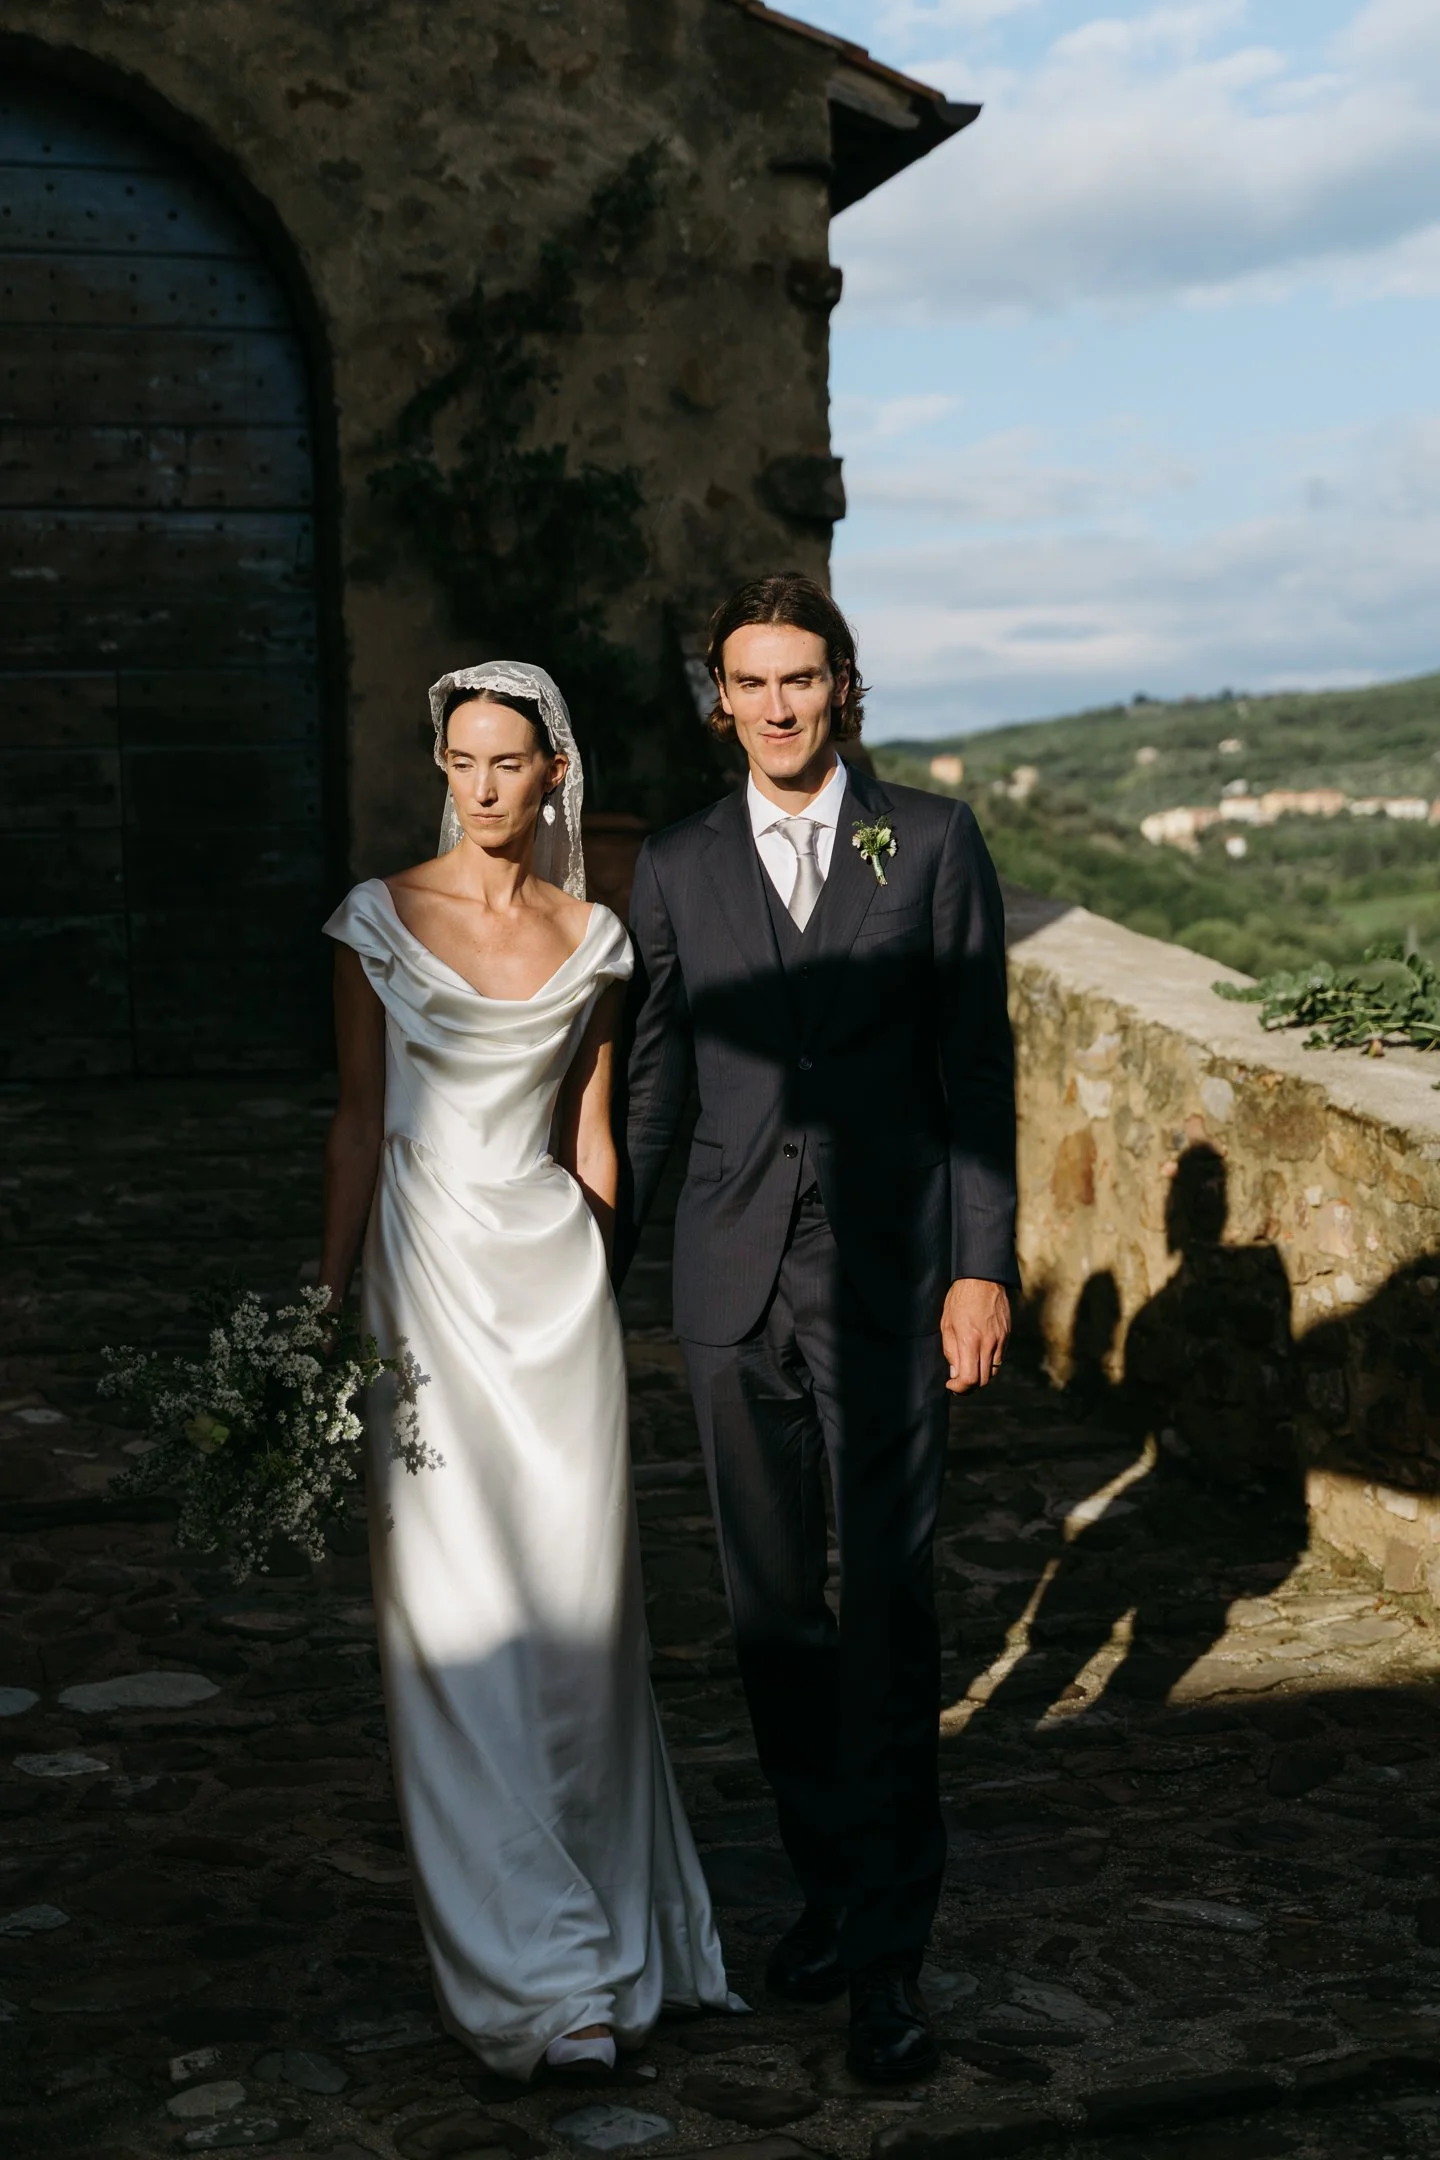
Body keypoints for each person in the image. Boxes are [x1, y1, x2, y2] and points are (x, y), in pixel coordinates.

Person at [620, 574, 1017, 2083]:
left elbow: (975, 1066)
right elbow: (655, 1087)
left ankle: (892, 1956)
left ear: (844, 686)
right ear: (715, 698)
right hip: (727, 1287)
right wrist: (584, 1266)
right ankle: (830, 1888)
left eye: (803, 679)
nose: (777, 706)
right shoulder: (674, 863)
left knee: (890, 1606)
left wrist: (982, 1266)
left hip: (891, 1279)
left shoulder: (923, 842)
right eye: (750, 682)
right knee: (773, 1614)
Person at [318, 661, 739, 2082]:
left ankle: (606, 1942)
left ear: (553, 776)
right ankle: (531, 1975)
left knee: (579, 1623)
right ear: (440, 765)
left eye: (509, 763)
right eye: (462, 761)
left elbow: (595, 1137)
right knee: (449, 1623)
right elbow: (359, 1117)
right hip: (424, 1285)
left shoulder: (597, 939)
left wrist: (604, 1304)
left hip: (556, 1303)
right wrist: (324, 1306)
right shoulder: (377, 920)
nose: (483, 786)